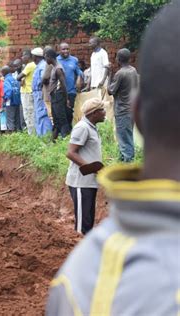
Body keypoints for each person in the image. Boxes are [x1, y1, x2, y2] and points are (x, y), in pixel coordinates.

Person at [47, 3, 180, 314]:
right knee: (84, 221)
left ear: (137, 114)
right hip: (82, 180)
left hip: (91, 180)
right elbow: (70, 151)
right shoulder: (82, 126)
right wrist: (88, 167)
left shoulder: (76, 278)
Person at [65, 98, 106, 235]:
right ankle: (77, 251)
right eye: (102, 110)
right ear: (94, 113)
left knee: (88, 222)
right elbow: (71, 153)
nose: (105, 113)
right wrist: (91, 167)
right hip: (80, 182)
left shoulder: (91, 127)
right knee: (82, 226)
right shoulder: (82, 128)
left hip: (89, 182)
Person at [107, 48, 139, 162]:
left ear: (118, 59)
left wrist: (109, 74)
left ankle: (128, 163)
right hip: (131, 109)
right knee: (126, 136)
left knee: (124, 138)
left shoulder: (120, 73)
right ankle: (122, 160)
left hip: (122, 110)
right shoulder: (133, 70)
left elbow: (110, 91)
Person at [45, 48, 71, 139]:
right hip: (54, 97)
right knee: (56, 120)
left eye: (46, 57)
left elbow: (63, 85)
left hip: (58, 96)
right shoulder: (54, 67)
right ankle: (53, 140)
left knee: (62, 120)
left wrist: (66, 99)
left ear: (49, 57)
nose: (45, 60)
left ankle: (66, 140)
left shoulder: (58, 69)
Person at [57, 43, 84, 128]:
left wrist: (79, 77)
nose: (66, 51)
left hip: (71, 91)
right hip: (60, 92)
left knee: (69, 113)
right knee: (61, 114)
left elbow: (79, 71)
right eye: (63, 49)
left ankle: (69, 133)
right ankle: (62, 133)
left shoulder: (74, 60)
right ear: (59, 50)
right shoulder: (56, 60)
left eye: (67, 49)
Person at [31, 47, 53, 136]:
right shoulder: (39, 65)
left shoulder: (43, 66)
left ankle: (45, 135)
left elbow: (44, 79)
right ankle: (40, 135)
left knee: (43, 114)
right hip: (37, 93)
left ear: (35, 56)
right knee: (38, 115)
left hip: (41, 93)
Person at [18, 50, 36, 134]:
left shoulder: (29, 65)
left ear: (28, 56)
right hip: (29, 91)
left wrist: (21, 77)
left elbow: (18, 77)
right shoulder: (31, 65)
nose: (22, 58)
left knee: (28, 113)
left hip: (27, 92)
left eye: (23, 56)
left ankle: (31, 133)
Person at [2, 65, 21, 132]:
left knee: (10, 120)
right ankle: (18, 134)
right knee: (17, 119)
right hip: (17, 101)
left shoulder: (6, 80)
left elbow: (9, 91)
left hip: (9, 102)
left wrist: (5, 98)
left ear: (4, 72)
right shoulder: (14, 79)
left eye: (2, 72)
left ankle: (12, 136)